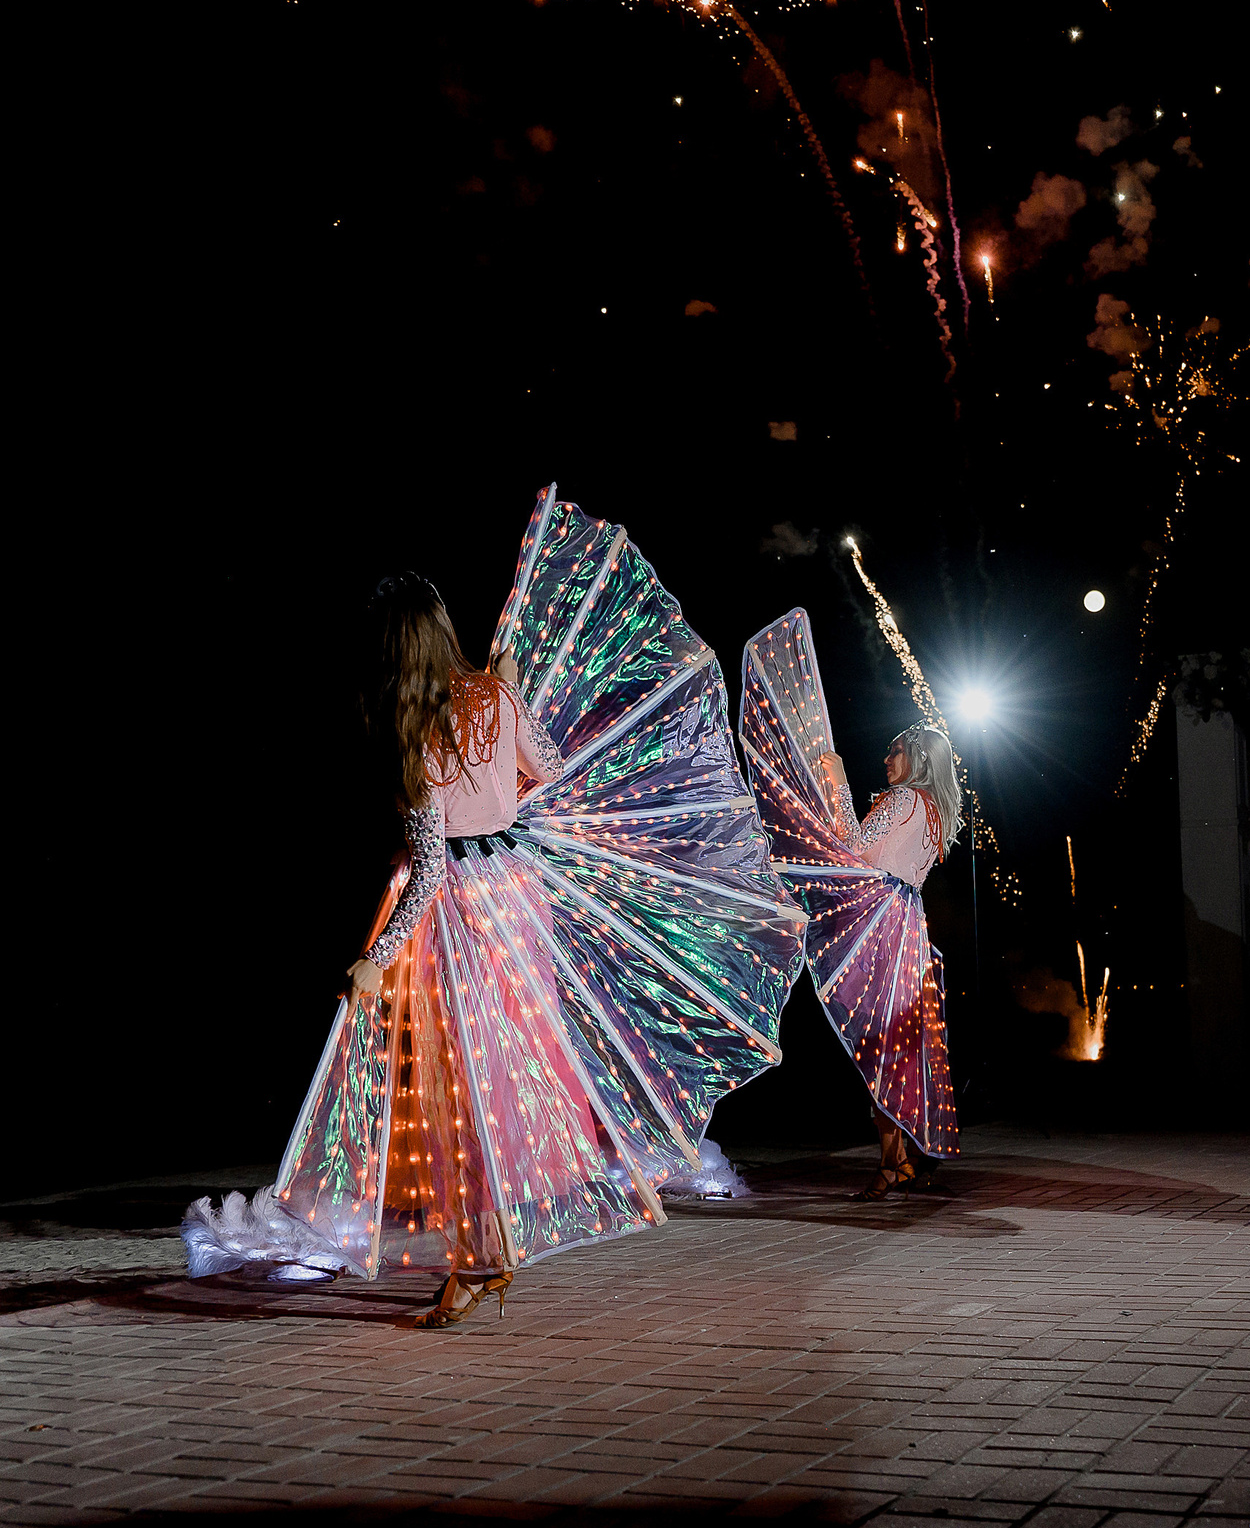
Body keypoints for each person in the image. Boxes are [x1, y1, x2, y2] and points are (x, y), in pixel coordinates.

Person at [182, 488, 806, 1326]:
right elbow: (549, 768)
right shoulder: (496, 699)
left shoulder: (414, 738)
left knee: (468, 1092)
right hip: (518, 894)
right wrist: (508, 700)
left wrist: (375, 957)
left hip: (463, 921)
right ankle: (490, 1250)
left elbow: (428, 873)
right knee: (509, 1078)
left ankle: (481, 1260)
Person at [741, 610, 961, 1199]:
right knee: (897, 1040)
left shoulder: (901, 802)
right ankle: (902, 1157)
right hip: (907, 922)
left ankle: (891, 1164)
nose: (886, 760)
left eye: (895, 752)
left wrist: (835, 781)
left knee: (876, 1040)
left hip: (880, 922)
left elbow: (854, 849)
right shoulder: (934, 814)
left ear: (916, 760)